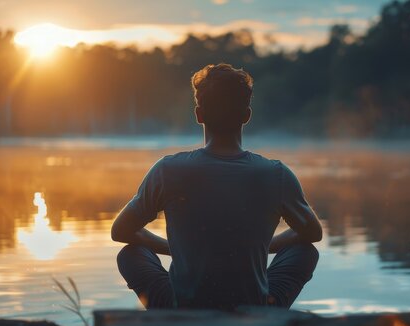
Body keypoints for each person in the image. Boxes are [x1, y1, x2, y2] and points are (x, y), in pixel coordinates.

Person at [112, 63, 322, 310]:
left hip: (183, 308)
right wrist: (259, 249)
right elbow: (312, 234)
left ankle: (169, 315)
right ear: (247, 115)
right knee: (304, 251)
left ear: (199, 114)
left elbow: (121, 231)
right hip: (252, 305)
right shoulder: (275, 174)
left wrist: (180, 251)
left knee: (131, 254)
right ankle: (269, 306)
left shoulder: (168, 170)